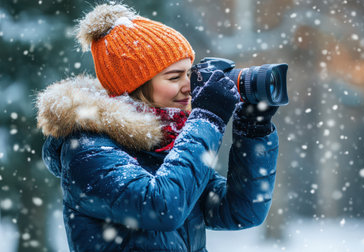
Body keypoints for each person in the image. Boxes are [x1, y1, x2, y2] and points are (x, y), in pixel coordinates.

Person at [36, 3, 279, 251]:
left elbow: (242, 211)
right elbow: (163, 207)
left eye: (189, 74)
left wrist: (252, 130)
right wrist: (207, 118)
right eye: (174, 77)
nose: (189, 86)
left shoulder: (165, 145)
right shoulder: (88, 150)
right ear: (132, 86)